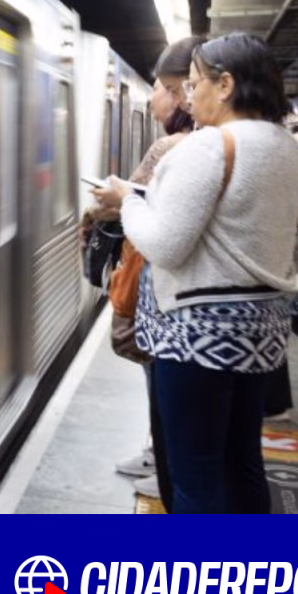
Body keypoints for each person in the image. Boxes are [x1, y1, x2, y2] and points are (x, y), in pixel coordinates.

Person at [93, 33, 298, 513]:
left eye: (194, 83)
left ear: (225, 85)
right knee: (242, 463)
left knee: (195, 476)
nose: (188, 96)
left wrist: (127, 202)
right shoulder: (288, 146)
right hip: (259, 333)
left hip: (195, 336)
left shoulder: (207, 147)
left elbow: (165, 246)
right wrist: (282, 262)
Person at [91, 35, 201, 508]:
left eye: (165, 87)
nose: (159, 97)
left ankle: (167, 468)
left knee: (172, 402)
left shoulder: (173, 148)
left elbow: (148, 221)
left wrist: (118, 202)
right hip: (202, 312)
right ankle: (166, 462)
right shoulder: (235, 144)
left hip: (173, 302)